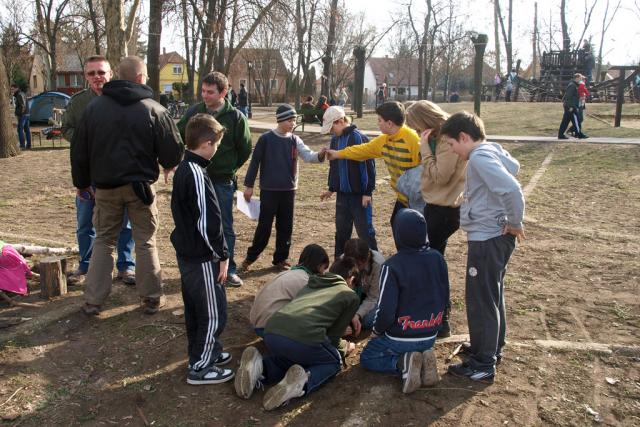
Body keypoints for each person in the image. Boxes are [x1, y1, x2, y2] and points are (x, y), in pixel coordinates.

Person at [71, 56, 184, 316]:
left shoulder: (94, 109)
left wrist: (81, 183)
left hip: (106, 188)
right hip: (140, 189)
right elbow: (172, 154)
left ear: (117, 76)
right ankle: (151, 299)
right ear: (141, 77)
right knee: (145, 241)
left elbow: (79, 152)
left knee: (103, 241)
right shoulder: (154, 109)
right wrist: (166, 163)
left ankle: (93, 301)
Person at [440, 111, 525, 384]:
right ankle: (489, 348)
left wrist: (515, 222)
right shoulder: (490, 151)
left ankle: (483, 363)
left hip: (488, 239)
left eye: (452, 144)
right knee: (491, 294)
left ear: (464, 137)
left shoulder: (479, 156)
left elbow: (511, 189)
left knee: (480, 300)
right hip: (491, 236)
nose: (453, 150)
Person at [234, 257, 360, 411]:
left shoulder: (312, 283)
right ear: (351, 279)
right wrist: (345, 347)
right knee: (333, 361)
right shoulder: (349, 295)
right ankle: (302, 382)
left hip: (273, 331)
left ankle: (260, 367)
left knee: (291, 358)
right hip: (303, 336)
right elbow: (333, 338)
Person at [170, 113, 234, 385]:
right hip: (202, 257)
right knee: (212, 312)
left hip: (191, 254)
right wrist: (221, 255)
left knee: (198, 308)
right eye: (216, 144)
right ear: (207, 143)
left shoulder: (187, 167)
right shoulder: (195, 173)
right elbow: (207, 221)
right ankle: (200, 365)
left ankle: (208, 351)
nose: (217, 149)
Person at [62, 55, 136, 286]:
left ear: (110, 74)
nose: (97, 77)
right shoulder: (78, 103)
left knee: (124, 223)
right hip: (89, 175)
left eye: (101, 72)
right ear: (86, 77)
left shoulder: (122, 99)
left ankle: (126, 266)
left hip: (118, 174)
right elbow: (67, 129)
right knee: (86, 222)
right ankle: (87, 264)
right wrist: (86, 141)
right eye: (92, 73)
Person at [360, 209, 448, 394]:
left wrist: (376, 331)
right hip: (430, 333)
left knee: (368, 357)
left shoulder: (392, 266)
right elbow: (445, 295)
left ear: (398, 233)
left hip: (401, 335)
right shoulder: (438, 258)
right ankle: (422, 360)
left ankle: (402, 363)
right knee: (414, 342)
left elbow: (385, 310)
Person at [177, 72, 252, 287]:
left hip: (222, 181)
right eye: (203, 91)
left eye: (210, 92)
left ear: (224, 92)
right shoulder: (195, 112)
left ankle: (229, 269)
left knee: (224, 226)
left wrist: (229, 167)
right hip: (196, 178)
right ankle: (203, 264)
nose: (205, 95)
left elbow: (245, 148)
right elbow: (179, 133)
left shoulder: (235, 117)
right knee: (196, 222)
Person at [405, 100, 467, 337]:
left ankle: (441, 319)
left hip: (444, 210)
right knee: (431, 262)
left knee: (432, 265)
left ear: (426, 122)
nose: (417, 132)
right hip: (435, 206)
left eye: (417, 127)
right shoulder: (438, 138)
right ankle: (436, 315)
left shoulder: (445, 142)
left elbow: (440, 176)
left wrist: (424, 147)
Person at [240, 105, 326, 272]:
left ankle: (280, 258)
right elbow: (254, 162)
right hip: (269, 190)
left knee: (286, 226)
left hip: (288, 191)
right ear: (279, 120)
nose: (293, 123)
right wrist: (249, 186)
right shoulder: (266, 139)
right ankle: (250, 258)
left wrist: (320, 155)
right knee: (264, 227)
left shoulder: (295, 140)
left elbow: (308, 155)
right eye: (289, 120)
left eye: (294, 119)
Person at [326, 101, 421, 226]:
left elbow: (424, 170)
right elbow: (362, 150)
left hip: (419, 199)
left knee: (414, 231)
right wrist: (337, 154)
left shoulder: (412, 140)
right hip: (403, 198)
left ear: (389, 123)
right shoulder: (384, 140)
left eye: (380, 120)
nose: (378, 123)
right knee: (397, 224)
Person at [320, 106, 377, 258]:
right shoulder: (335, 140)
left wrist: (367, 192)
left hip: (359, 197)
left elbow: (369, 167)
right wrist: (331, 188)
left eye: (332, 128)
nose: (332, 132)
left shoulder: (359, 138)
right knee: (341, 232)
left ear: (340, 121)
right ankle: (340, 265)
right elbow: (334, 167)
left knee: (365, 232)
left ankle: (373, 264)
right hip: (342, 196)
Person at [250, 244, 330, 336]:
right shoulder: (306, 281)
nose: (323, 273)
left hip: (256, 323)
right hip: (268, 329)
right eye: (324, 268)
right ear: (318, 265)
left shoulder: (290, 272)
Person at [342, 238, 385, 331]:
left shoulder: (378, 264)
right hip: (352, 297)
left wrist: (357, 315)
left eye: (360, 265)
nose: (357, 269)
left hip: (372, 298)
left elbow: (373, 297)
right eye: (354, 265)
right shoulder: (342, 261)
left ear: (368, 257)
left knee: (367, 322)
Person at [558, 73, 588, 140]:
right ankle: (579, 134)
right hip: (571, 106)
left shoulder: (575, 85)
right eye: (580, 78)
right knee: (576, 120)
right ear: (576, 78)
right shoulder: (572, 85)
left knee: (565, 121)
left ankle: (560, 135)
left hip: (570, 106)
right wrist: (571, 106)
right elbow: (568, 97)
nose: (581, 79)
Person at [10, 83, 31, 150]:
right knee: (27, 130)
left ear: (17, 88)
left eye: (13, 89)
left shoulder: (19, 94)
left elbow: (23, 105)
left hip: (23, 115)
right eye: (11, 89)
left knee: (19, 130)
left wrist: (20, 114)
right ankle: (28, 145)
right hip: (27, 114)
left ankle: (22, 145)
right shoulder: (22, 93)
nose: (12, 90)